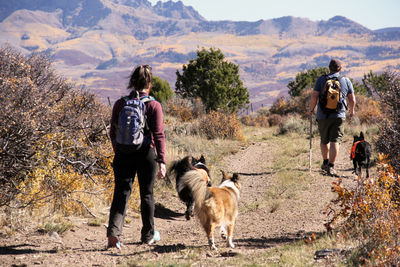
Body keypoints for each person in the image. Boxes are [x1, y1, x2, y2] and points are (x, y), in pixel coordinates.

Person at [107, 65, 166, 248]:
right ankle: (148, 236)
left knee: (121, 194)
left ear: (132, 81)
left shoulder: (120, 103)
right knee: (147, 195)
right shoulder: (153, 105)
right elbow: (159, 135)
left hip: (123, 153)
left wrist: (119, 150)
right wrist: (162, 160)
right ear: (149, 83)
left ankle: (113, 234)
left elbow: (113, 132)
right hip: (145, 153)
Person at [309, 59, 356, 176]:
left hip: (322, 115)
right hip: (339, 115)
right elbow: (352, 99)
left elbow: (314, 96)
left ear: (329, 68)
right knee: (335, 140)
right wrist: (352, 111)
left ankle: (325, 162)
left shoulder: (321, 79)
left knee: (324, 140)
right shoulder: (345, 80)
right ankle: (331, 166)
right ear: (340, 68)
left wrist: (310, 110)